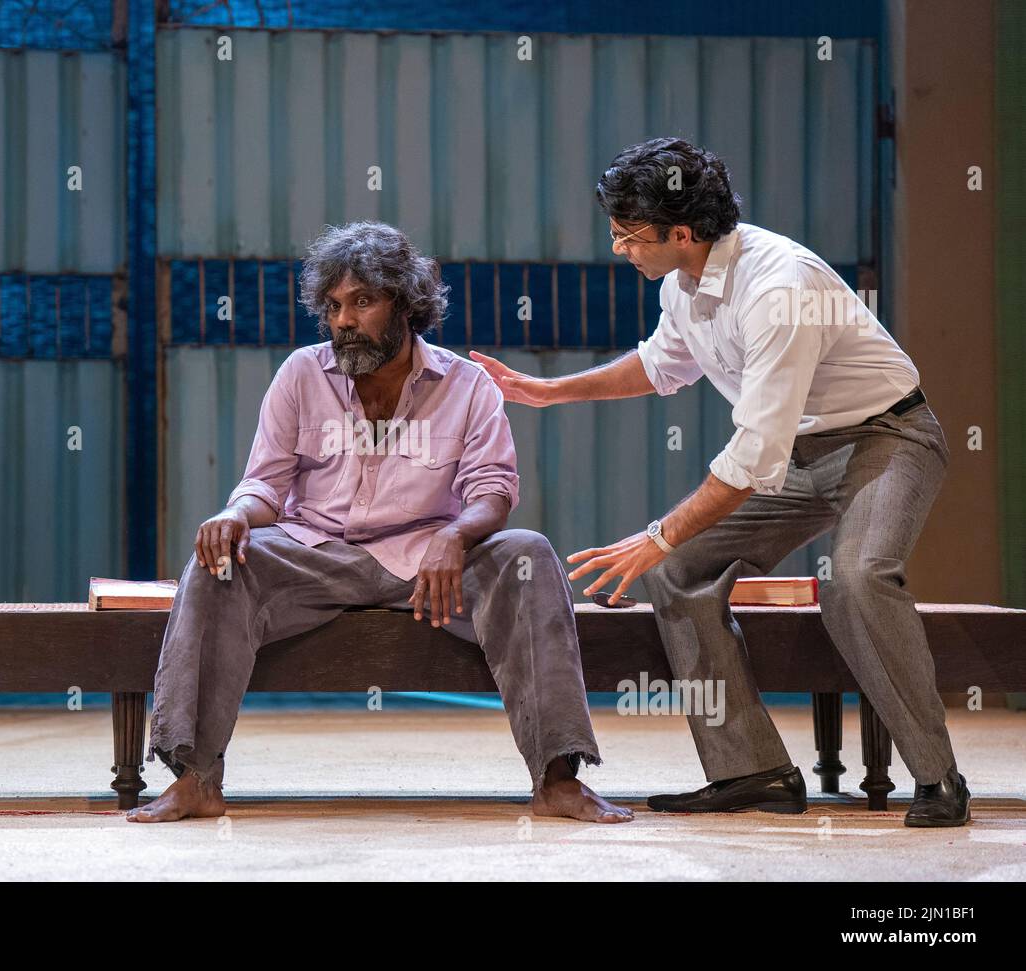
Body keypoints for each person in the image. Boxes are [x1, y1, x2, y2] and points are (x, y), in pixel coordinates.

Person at [471, 137, 968, 827]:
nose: (619, 249)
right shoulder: (685, 283)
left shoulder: (778, 286)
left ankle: (940, 777)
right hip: (798, 451)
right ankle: (752, 768)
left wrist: (658, 531)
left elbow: (753, 451)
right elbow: (658, 366)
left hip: (886, 437)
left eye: (627, 236)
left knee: (857, 577)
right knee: (678, 569)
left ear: (681, 232)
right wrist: (549, 391)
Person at [129, 221, 633, 824]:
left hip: (429, 563)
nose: (344, 319)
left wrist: (455, 535)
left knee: (527, 554)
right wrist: (234, 513)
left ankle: (557, 779)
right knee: (217, 563)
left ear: (406, 305)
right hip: (315, 552)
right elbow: (266, 482)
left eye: (363, 301)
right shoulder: (300, 373)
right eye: (335, 305)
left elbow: (493, 491)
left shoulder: (467, 386)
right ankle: (196, 778)